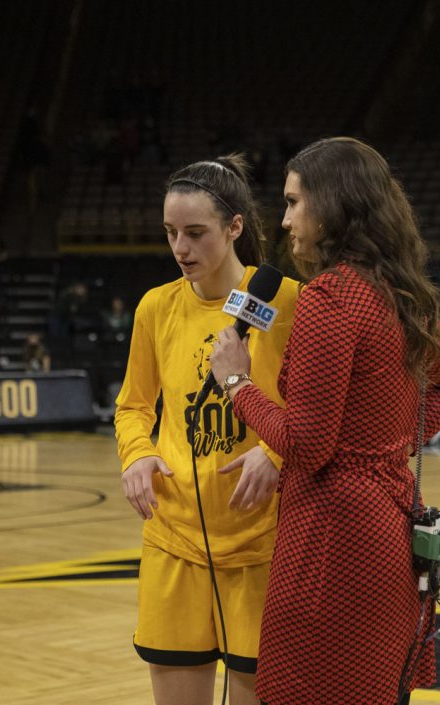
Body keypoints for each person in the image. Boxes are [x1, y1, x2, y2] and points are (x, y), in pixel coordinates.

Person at [209, 137, 440, 705]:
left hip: (332, 536)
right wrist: (389, 445)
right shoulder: (399, 293)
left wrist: (237, 383)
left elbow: (304, 447)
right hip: (392, 523)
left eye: (293, 203)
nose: (284, 221)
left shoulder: (329, 298)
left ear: (333, 205)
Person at [113, 153, 299, 705]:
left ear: (235, 226)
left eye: (195, 233)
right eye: (171, 233)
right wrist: (137, 455)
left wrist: (275, 451)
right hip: (174, 541)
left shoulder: (287, 301)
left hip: (261, 544)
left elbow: (315, 410)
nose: (180, 249)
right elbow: (133, 406)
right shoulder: (155, 307)